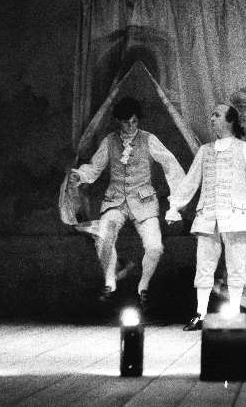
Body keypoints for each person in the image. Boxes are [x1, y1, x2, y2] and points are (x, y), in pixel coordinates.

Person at [165, 103, 246, 331]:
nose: (212, 118)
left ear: (230, 120)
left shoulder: (245, 149)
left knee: (236, 266)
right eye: (212, 115)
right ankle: (200, 313)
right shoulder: (205, 151)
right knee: (204, 266)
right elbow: (190, 181)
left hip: (236, 216)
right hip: (208, 216)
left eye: (217, 115)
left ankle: (235, 313)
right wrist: (175, 207)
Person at [68, 97, 185, 310]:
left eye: (134, 122)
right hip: (115, 200)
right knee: (104, 236)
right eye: (125, 122)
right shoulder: (109, 141)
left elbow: (171, 165)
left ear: (138, 120)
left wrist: (177, 201)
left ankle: (143, 286)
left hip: (144, 201)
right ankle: (110, 283)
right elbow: (94, 168)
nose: (130, 126)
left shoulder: (149, 139)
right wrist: (80, 175)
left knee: (155, 247)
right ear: (118, 121)